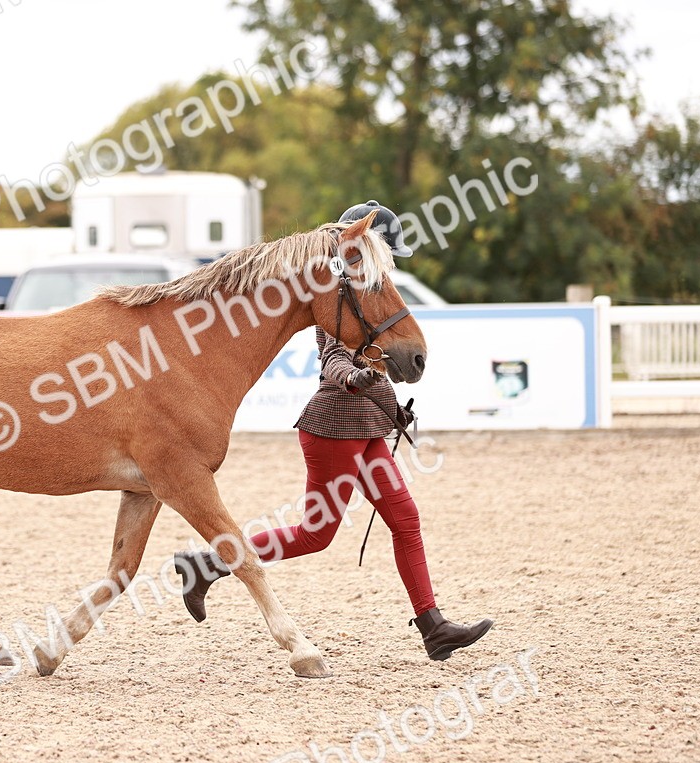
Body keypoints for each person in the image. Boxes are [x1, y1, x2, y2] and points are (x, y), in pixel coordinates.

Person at [173, 200, 493, 662]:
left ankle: (432, 625)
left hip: (367, 431)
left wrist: (392, 410)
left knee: (405, 519)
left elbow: (379, 370)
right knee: (316, 534)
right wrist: (354, 378)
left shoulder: (372, 291)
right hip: (333, 429)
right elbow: (333, 359)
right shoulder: (336, 299)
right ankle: (208, 560)